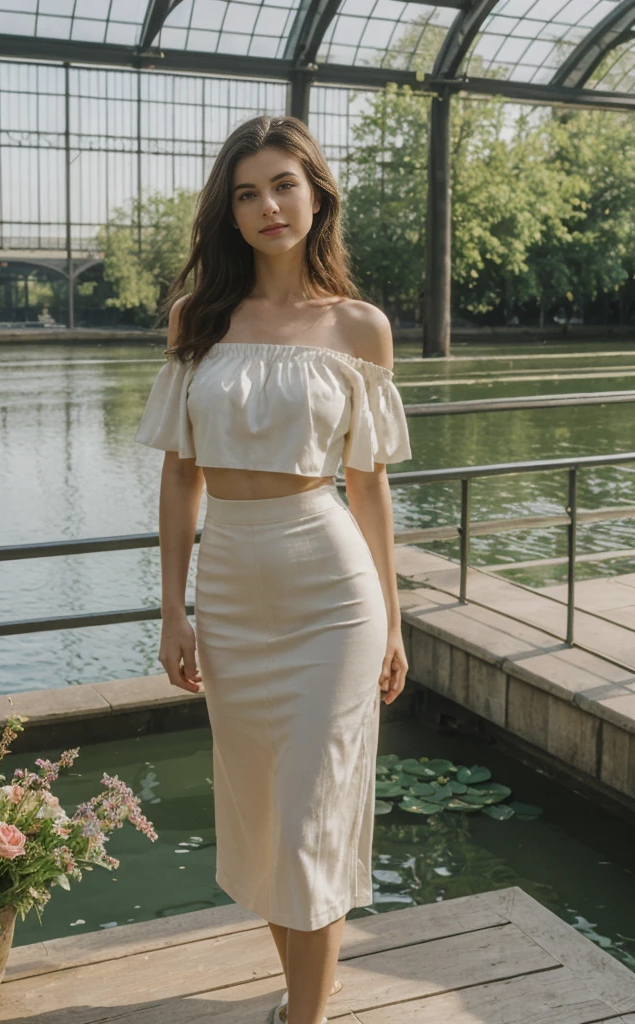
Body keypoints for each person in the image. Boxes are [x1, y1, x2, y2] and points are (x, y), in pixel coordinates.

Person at [134, 115, 412, 1024]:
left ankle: (305, 1018)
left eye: (284, 185)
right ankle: (301, 1005)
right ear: (230, 210)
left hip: (331, 590)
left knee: (309, 819)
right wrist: (173, 611)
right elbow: (181, 476)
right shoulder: (198, 319)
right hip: (232, 585)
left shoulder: (359, 327)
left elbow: (368, 488)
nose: (267, 206)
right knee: (263, 817)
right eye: (247, 192)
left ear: (316, 193)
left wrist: (396, 623)